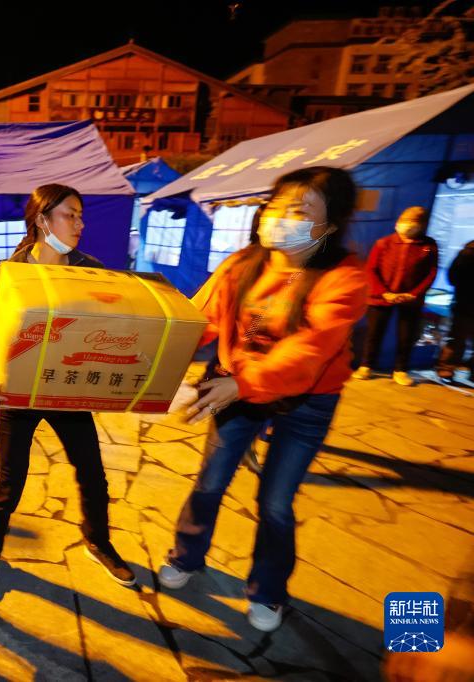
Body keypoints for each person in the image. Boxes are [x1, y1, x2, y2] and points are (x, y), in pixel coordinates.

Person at [157, 167, 368, 633]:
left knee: (275, 502)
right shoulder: (242, 264)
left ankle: (268, 590)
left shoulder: (345, 279)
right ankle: (186, 556)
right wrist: (152, 358)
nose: (280, 216)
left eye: (300, 209)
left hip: (306, 401)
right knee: (210, 482)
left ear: (330, 224)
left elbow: (309, 351)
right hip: (236, 388)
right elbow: (201, 320)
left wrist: (242, 383)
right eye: (276, 205)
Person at [0, 184, 137, 596]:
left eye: (81, 215)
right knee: (10, 481)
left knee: (92, 474)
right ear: (42, 219)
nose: (80, 224)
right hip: (18, 393)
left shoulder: (89, 270)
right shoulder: (9, 274)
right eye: (69, 215)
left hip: (67, 390)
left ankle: (98, 541)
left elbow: (116, 319)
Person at [353, 206, 438, 386]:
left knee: (406, 336)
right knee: (374, 334)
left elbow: (431, 273)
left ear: (421, 225)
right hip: (381, 297)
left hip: (410, 300)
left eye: (412, 222)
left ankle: (400, 370)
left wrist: (413, 294)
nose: (406, 225)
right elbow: (371, 269)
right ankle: (366, 366)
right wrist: (383, 292)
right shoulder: (383, 243)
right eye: (403, 220)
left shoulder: (429, 246)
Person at [437, 240, 474, 380]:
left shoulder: (466, 252)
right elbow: (453, 277)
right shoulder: (468, 253)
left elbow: (452, 278)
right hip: (466, 304)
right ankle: (447, 367)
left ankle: (447, 367)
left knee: (457, 338)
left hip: (463, 303)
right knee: (457, 338)